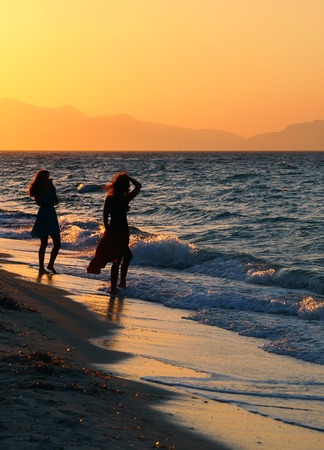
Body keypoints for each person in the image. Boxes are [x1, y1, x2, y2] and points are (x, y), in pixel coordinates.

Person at [87, 172, 141, 295]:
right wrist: (130, 178)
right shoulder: (124, 198)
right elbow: (138, 186)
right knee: (121, 258)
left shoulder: (110, 198)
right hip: (122, 231)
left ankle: (119, 285)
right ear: (125, 185)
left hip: (113, 230)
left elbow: (105, 217)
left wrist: (108, 231)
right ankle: (117, 286)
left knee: (122, 257)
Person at [28, 169, 61, 275]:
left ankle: (51, 264)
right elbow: (39, 200)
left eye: (48, 177)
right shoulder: (37, 188)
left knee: (57, 243)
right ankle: (41, 267)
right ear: (41, 178)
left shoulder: (50, 188)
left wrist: (53, 190)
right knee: (44, 243)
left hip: (51, 212)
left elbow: (56, 201)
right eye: (46, 177)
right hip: (43, 213)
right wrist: (46, 187)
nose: (47, 179)